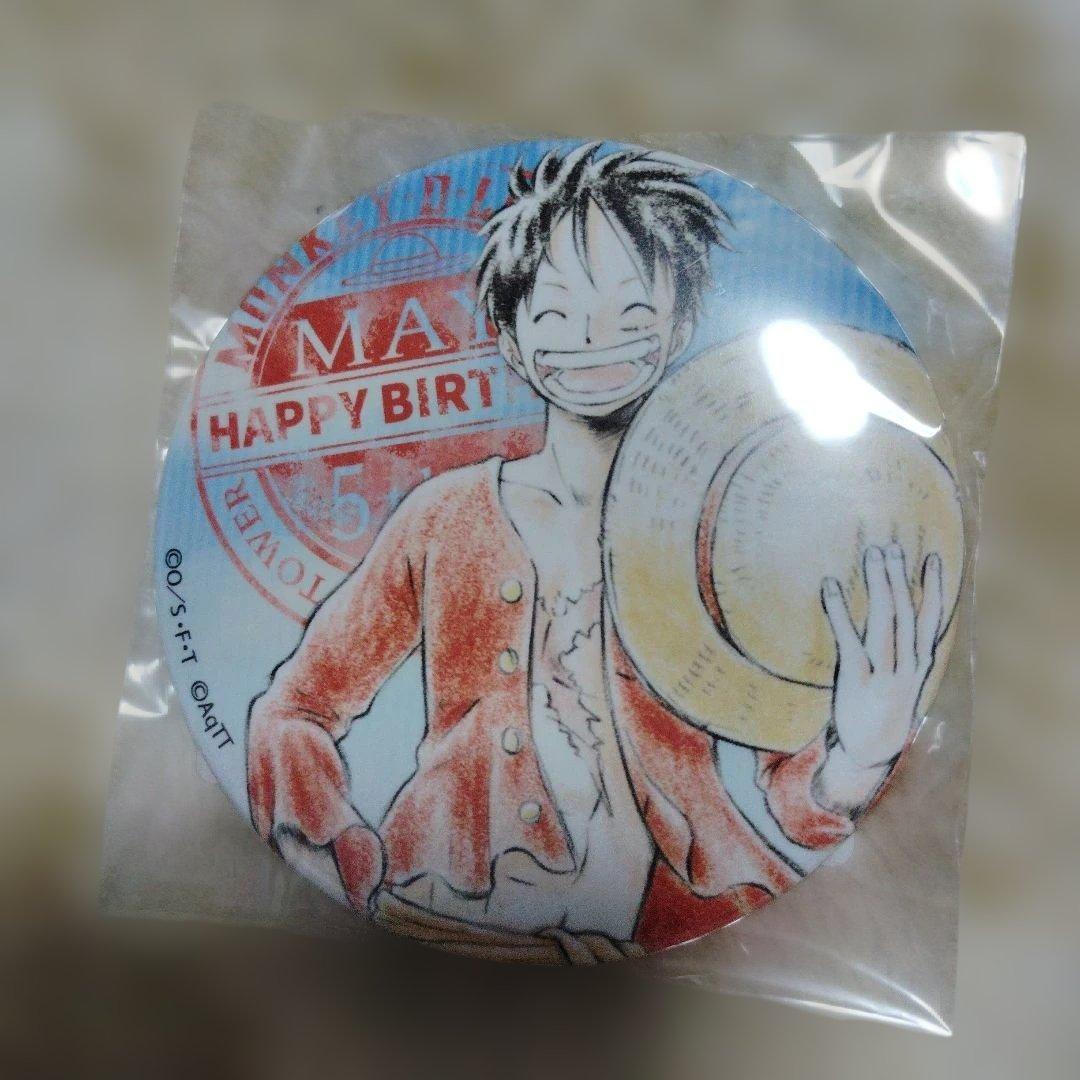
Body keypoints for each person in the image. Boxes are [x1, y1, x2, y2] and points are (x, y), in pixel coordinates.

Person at [247, 143, 945, 962]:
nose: (593, 341)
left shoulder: (723, 534)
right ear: (511, 340)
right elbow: (295, 707)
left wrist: (859, 755)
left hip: (669, 939)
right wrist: (334, 851)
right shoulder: (445, 518)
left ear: (680, 328)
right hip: (437, 914)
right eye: (556, 317)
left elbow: (792, 780)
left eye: (632, 315)